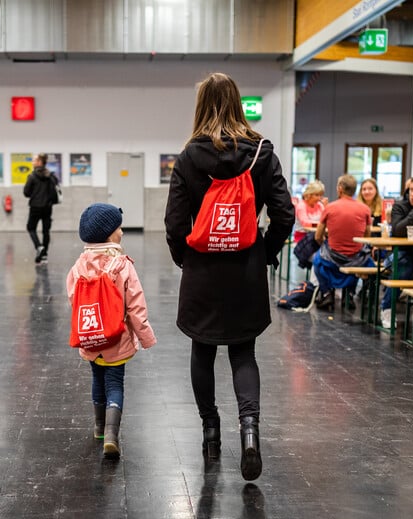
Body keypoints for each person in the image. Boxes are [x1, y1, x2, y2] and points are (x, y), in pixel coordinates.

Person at [164, 72, 295, 481]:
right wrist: (264, 252)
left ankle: (210, 431)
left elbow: (173, 224)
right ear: (238, 103)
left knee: (202, 352)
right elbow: (285, 215)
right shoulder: (262, 153)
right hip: (245, 271)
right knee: (243, 352)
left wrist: (184, 259)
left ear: (201, 105)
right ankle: (250, 432)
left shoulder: (187, 157)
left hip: (203, 270)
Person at [67, 203, 156, 459]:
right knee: (115, 382)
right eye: (119, 228)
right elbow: (136, 305)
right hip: (117, 338)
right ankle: (112, 434)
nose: (122, 232)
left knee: (97, 379)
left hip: (90, 337)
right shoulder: (122, 265)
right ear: (108, 234)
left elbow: (74, 299)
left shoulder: (78, 266)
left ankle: (98, 428)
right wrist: (145, 336)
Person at [310, 174, 373, 311]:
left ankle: (327, 293)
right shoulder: (365, 209)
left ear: (340, 189)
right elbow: (367, 236)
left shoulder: (330, 208)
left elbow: (317, 236)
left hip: (333, 257)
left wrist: (325, 242)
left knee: (317, 260)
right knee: (367, 261)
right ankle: (349, 294)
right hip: (356, 257)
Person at [380, 173, 413, 325]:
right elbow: (398, 230)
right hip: (400, 252)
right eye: (412, 190)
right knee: (403, 265)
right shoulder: (400, 205)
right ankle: (387, 309)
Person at [23, 153, 59, 264]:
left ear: (39, 162)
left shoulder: (32, 176)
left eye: (34, 160)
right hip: (48, 207)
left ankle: (39, 247)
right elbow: (56, 187)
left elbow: (26, 192)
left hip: (35, 207)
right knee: (46, 231)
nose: (32, 162)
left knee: (31, 228)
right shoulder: (51, 176)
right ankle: (44, 256)